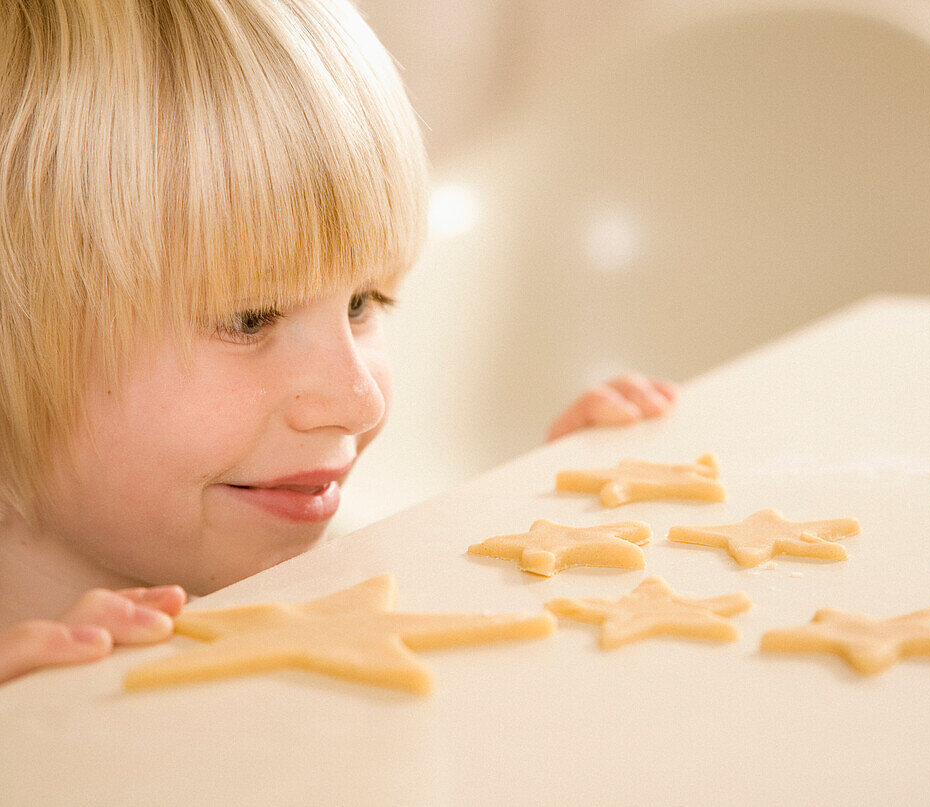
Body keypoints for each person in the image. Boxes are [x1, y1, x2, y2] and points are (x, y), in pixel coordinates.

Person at [0, 0, 675, 685]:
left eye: (362, 303)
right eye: (250, 320)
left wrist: (529, 541)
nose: (356, 400)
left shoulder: (315, 570)